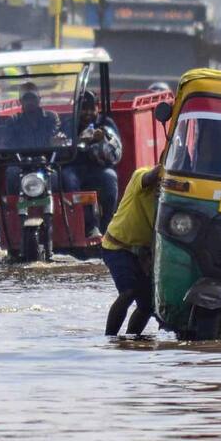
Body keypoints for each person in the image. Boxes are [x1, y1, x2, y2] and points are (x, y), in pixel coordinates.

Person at [102, 164, 161, 336]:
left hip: (142, 254)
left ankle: (131, 340)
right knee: (128, 292)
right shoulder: (140, 176)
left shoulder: (172, 196)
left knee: (148, 305)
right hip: (117, 247)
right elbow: (150, 177)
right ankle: (110, 338)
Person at [61, 91, 122, 237]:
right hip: (73, 168)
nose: (87, 113)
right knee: (68, 178)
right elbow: (61, 148)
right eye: (83, 108)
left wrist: (102, 140)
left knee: (110, 177)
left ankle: (107, 226)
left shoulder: (106, 123)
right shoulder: (68, 124)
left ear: (97, 108)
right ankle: (85, 226)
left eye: (91, 108)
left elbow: (116, 153)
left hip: (98, 169)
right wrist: (78, 141)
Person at [3, 82, 65, 194]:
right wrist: (19, 157)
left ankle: (56, 207)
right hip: (21, 163)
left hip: (46, 162)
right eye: (26, 99)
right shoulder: (13, 121)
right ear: (20, 101)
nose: (30, 102)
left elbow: (56, 137)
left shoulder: (51, 118)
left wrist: (57, 141)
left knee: (55, 176)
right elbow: (8, 145)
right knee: (12, 173)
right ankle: (12, 208)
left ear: (39, 99)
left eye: (33, 98)